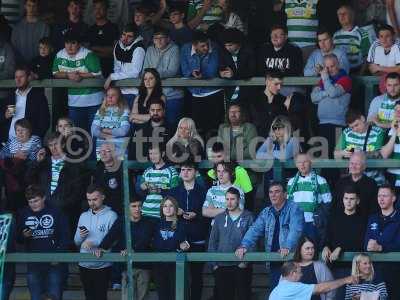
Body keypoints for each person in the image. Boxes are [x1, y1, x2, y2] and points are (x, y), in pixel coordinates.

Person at [235, 182, 304, 289]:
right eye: (271, 192)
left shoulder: (294, 208)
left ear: (285, 194)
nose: (273, 195)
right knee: (276, 293)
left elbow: (295, 230)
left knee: (291, 294)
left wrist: (287, 247)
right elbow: (254, 230)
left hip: (291, 261)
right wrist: (244, 245)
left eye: (277, 192)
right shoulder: (266, 212)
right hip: (274, 261)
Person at [25, 131, 88, 232]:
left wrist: (64, 204)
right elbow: (28, 179)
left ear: (63, 144)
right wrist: (37, 162)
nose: (53, 148)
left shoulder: (74, 162)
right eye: (50, 145)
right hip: (45, 206)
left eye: (56, 144)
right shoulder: (44, 162)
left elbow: (78, 190)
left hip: (65, 207)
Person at [17, 185, 71, 300]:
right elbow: (18, 239)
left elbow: (65, 236)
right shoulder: (23, 213)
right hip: (33, 264)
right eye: (30, 201)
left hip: (54, 263)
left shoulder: (56, 212)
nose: (33, 204)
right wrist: (24, 236)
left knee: (55, 296)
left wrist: (58, 255)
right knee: (35, 297)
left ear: (44, 198)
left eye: (36, 200)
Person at [95, 198, 154, 300]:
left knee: (143, 297)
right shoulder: (122, 220)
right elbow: (111, 236)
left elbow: (145, 239)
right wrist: (101, 247)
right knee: (127, 297)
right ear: (127, 208)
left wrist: (133, 249)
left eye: (139, 206)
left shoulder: (147, 222)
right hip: (127, 266)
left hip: (144, 265)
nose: (137, 209)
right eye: (134, 206)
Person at [167, 160, 207, 300]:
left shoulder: (203, 192)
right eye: (183, 169)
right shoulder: (173, 192)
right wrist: (174, 211)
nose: (185, 172)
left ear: (196, 173)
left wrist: (197, 214)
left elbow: (208, 213)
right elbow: (165, 212)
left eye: (189, 170)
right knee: (179, 276)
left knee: (197, 277)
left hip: (198, 238)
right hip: (178, 238)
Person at [52, 29, 103, 134]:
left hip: (94, 102)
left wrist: (80, 75)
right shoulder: (60, 54)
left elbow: (97, 73)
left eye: (73, 43)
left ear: (79, 44)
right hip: (74, 103)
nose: (69, 46)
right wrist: (68, 75)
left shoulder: (88, 54)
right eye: (67, 43)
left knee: (95, 134)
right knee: (77, 135)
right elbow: (55, 73)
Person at [208, 186, 254, 300]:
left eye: (232, 199)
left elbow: (253, 240)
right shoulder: (219, 218)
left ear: (238, 200)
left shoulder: (248, 217)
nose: (229, 202)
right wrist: (214, 265)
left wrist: (245, 263)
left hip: (241, 265)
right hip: (221, 266)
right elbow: (212, 242)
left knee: (243, 296)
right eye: (227, 199)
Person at [322, 185, 367, 299]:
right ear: (342, 199)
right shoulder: (334, 217)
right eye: (346, 198)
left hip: (355, 268)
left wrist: (340, 248)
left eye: (352, 199)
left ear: (357, 201)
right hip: (334, 267)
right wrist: (326, 246)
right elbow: (327, 237)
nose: (348, 202)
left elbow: (360, 242)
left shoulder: (363, 219)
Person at [74, 184, 118, 300]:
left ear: (103, 197)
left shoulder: (111, 215)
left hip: (103, 264)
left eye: (95, 199)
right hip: (84, 263)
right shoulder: (83, 216)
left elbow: (115, 240)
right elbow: (76, 241)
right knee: (88, 297)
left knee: (100, 297)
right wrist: (80, 236)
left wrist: (95, 243)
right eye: (89, 200)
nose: (91, 203)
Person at [180, 30, 224, 138]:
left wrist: (200, 75)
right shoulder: (185, 49)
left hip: (214, 92)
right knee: (198, 130)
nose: (206, 48)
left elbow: (212, 71)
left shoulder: (214, 47)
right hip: (195, 94)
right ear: (194, 45)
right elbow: (185, 71)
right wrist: (192, 73)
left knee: (214, 130)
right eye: (203, 46)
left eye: (207, 44)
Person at [311, 54, 352, 157]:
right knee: (324, 157)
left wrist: (325, 78)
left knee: (336, 157)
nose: (329, 70)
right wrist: (326, 92)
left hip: (338, 124)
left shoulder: (345, 79)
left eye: (332, 66)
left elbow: (333, 93)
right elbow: (313, 98)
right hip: (322, 124)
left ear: (338, 64)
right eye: (327, 67)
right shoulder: (322, 81)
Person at [143, 27, 184, 129]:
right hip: (154, 95)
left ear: (168, 39)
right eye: (156, 38)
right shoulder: (150, 49)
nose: (159, 40)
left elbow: (172, 71)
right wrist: (152, 75)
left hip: (172, 95)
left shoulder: (175, 49)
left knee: (171, 124)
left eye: (162, 38)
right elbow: (144, 70)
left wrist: (152, 74)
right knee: (152, 126)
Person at [287, 153, 332, 246]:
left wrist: (319, 219)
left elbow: (328, 203)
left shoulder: (320, 180)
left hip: (313, 223)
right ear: (296, 164)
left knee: (312, 250)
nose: (302, 165)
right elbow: (289, 204)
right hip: (296, 224)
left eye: (305, 162)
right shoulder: (291, 182)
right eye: (299, 162)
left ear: (310, 163)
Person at [364, 184, 400, 299]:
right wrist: (369, 246)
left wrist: (381, 248)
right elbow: (366, 243)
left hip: (395, 271)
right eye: (379, 196)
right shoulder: (372, 218)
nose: (381, 199)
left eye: (385, 195)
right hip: (374, 272)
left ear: (393, 198)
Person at [152, 196, 190, 300]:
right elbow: (155, 244)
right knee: (163, 296)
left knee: (177, 295)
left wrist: (184, 245)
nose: (167, 208)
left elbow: (184, 244)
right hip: (159, 267)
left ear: (176, 208)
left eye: (171, 206)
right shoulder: (156, 224)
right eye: (165, 206)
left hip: (176, 267)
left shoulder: (182, 225)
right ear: (161, 209)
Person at [0, 66, 49, 143]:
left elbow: (44, 123)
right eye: (16, 77)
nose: (18, 80)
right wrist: (5, 116)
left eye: (21, 77)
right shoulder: (9, 97)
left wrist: (32, 141)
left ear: (29, 78)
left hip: (28, 142)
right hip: (7, 142)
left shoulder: (38, 97)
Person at [250, 72, 306, 139]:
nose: (279, 87)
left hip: (279, 141)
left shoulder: (283, 100)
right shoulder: (255, 100)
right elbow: (258, 122)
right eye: (276, 84)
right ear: (267, 82)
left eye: (280, 84)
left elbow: (287, 124)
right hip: (259, 140)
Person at [103, 23, 145, 109]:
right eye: (123, 35)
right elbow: (116, 68)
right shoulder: (118, 46)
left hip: (133, 93)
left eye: (129, 36)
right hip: (119, 91)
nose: (125, 38)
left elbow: (135, 73)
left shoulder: (139, 48)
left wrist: (112, 77)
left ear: (135, 37)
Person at [268, 261, 358, 300]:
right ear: (293, 273)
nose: (302, 274)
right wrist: (346, 280)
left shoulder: (276, 290)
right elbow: (321, 288)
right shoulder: (292, 287)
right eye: (300, 272)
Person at [256, 116, 300, 194]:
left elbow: (285, 155)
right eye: (274, 128)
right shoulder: (270, 140)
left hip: (288, 180)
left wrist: (268, 153)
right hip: (271, 180)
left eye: (280, 127)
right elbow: (258, 155)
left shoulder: (293, 140)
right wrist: (274, 154)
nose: (277, 130)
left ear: (287, 128)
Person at [136, 145, 179, 219]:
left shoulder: (172, 171)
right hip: (146, 213)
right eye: (150, 154)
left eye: (155, 153)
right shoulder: (147, 171)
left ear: (162, 154)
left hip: (163, 215)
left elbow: (176, 194)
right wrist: (142, 188)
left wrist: (160, 190)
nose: (152, 156)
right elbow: (140, 194)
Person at [332, 152, 379, 219]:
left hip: (363, 222)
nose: (353, 166)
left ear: (364, 167)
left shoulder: (371, 184)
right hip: (342, 220)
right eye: (352, 163)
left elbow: (374, 209)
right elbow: (334, 206)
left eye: (357, 164)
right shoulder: (341, 182)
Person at [91, 86, 130, 159]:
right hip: (101, 144)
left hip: (119, 145)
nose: (110, 97)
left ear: (119, 97)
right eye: (108, 95)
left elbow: (123, 131)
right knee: (103, 166)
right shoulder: (100, 112)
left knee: (119, 167)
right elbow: (94, 130)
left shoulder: (124, 111)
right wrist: (106, 136)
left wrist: (105, 130)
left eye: (113, 95)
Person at [218, 28, 255, 104]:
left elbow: (252, 71)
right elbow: (219, 68)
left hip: (247, 94)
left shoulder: (249, 52)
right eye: (225, 45)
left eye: (230, 45)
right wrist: (220, 73)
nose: (227, 48)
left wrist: (234, 74)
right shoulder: (224, 53)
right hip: (230, 93)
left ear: (238, 43)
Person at [333, 4, 371, 73]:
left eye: (345, 13)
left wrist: (360, 75)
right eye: (339, 14)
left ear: (352, 16)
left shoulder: (363, 33)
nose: (342, 16)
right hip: (340, 73)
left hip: (356, 71)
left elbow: (367, 57)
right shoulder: (335, 35)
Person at [86, 0, 119, 77]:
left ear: (106, 9)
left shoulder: (113, 28)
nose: (98, 11)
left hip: (110, 69)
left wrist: (95, 48)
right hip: (92, 69)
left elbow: (115, 51)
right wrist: (106, 51)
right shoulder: (90, 29)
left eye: (101, 8)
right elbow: (87, 52)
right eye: (95, 8)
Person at [93, 143, 123, 215]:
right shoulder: (98, 167)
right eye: (101, 151)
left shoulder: (121, 168)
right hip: (101, 207)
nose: (103, 153)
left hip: (117, 209)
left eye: (107, 151)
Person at [381, 100, 400, 193]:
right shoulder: (388, 131)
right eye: (396, 110)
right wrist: (395, 132)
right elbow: (384, 155)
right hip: (392, 181)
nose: (398, 112)